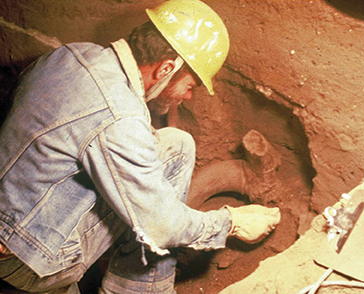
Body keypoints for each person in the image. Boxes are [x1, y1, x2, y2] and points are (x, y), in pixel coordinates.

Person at [0, 0, 280, 293]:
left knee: (177, 146)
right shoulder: (119, 117)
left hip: (14, 218)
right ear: (166, 69)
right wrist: (231, 222)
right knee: (153, 220)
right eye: (190, 86)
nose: (187, 97)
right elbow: (162, 227)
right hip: (26, 260)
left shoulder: (73, 54)